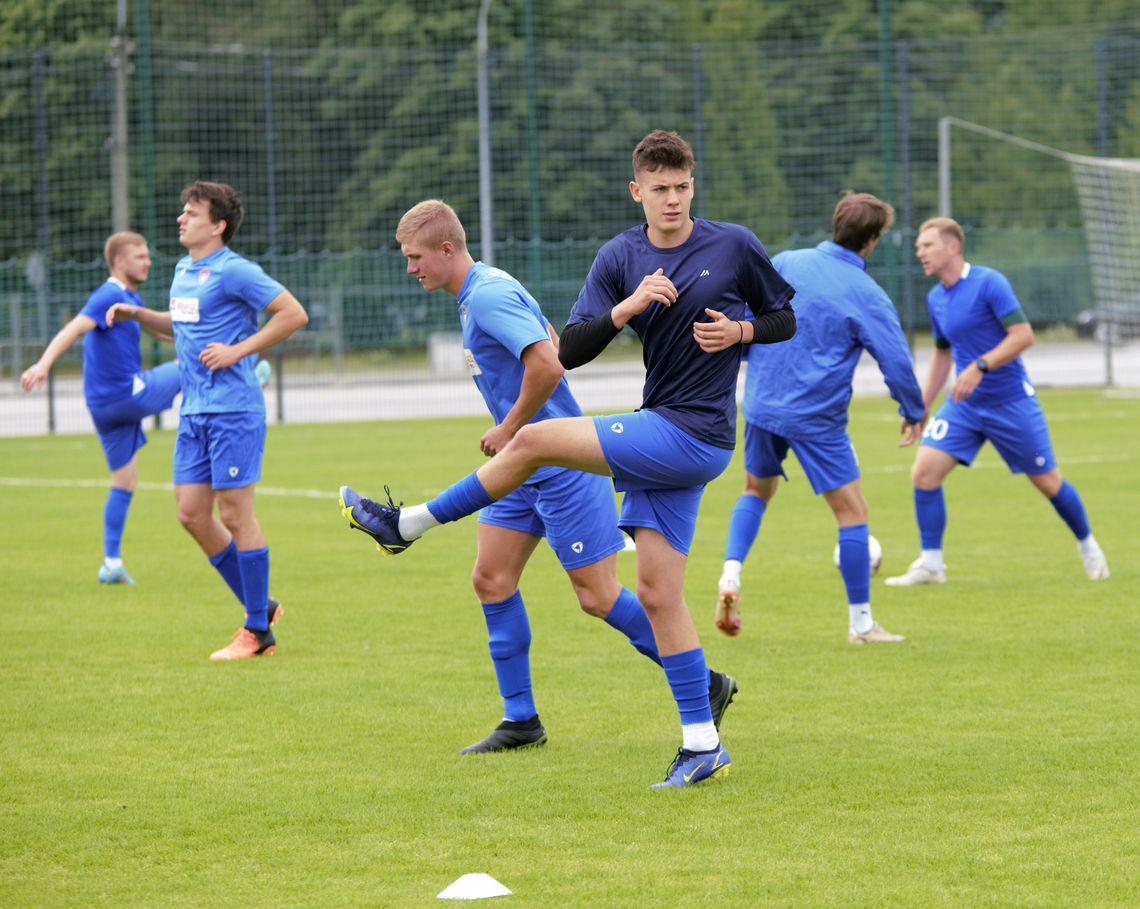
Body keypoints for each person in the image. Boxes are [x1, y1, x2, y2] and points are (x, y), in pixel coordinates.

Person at [340, 130, 796, 788]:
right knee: (654, 592)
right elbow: (572, 345)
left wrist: (743, 330)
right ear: (636, 191)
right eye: (659, 188)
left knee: (531, 447)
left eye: (682, 186)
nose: (672, 198)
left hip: (688, 432)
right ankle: (701, 739)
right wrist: (629, 306)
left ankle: (405, 524)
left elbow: (784, 316)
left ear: (693, 185)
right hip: (657, 431)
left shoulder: (732, 244)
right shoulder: (620, 255)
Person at [390, 199, 738, 755]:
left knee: (598, 596)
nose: (411, 268)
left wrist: (509, 426)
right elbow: (551, 339)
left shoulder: (487, 294)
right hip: (524, 467)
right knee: (491, 579)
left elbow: (548, 363)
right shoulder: (479, 292)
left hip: (556, 462)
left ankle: (706, 685)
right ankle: (520, 720)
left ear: (447, 249)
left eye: (414, 257)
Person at [106, 181, 309, 659]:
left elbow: (292, 313)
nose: (181, 218)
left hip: (233, 409)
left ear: (217, 226)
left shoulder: (235, 270)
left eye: (192, 213)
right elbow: (180, 326)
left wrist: (239, 349)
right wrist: (138, 314)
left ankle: (257, 631)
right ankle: (261, 606)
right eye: (183, 211)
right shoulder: (183, 269)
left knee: (236, 515)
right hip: (194, 411)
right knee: (191, 514)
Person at [715, 192, 926, 644]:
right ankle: (862, 624)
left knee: (755, 490)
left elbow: (749, 315)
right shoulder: (866, 292)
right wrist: (912, 410)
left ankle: (730, 576)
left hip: (762, 404)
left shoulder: (789, 260)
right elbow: (896, 359)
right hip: (815, 416)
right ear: (871, 241)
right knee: (853, 514)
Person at [885, 216, 1110, 586]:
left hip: (1010, 402)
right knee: (924, 473)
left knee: (1048, 482)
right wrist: (921, 405)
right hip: (965, 405)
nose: (920, 253)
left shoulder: (990, 283)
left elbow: (1023, 335)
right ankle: (931, 564)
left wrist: (980, 366)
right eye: (918, 248)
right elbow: (942, 356)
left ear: (952, 247)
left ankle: (1088, 546)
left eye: (927, 246)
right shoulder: (936, 297)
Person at [20, 231, 182, 586]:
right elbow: (74, 328)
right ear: (120, 262)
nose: (148, 261)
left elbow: (157, 332)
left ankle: (111, 563)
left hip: (102, 406)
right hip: (125, 395)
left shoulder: (128, 299)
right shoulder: (108, 294)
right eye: (141, 256)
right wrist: (43, 364)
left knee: (124, 481)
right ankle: (250, 372)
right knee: (190, 367)